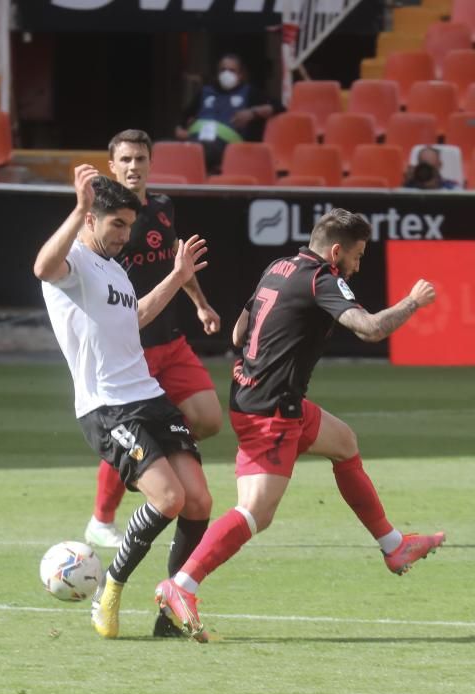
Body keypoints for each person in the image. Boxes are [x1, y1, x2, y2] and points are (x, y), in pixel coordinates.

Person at [153, 208, 446, 641]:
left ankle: (393, 545)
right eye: (357, 256)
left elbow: (239, 333)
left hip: (265, 396)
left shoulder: (279, 266)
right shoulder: (322, 278)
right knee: (255, 513)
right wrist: (412, 302)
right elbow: (368, 329)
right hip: (271, 410)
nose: (358, 266)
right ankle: (181, 585)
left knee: (344, 442)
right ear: (335, 251)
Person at [33, 167, 212, 641]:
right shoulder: (71, 262)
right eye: (116, 224)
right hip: (107, 407)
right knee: (169, 498)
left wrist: (177, 277)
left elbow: (134, 318)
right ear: (91, 219)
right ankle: (109, 588)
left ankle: (171, 610)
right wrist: (76, 208)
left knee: (198, 501)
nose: (125, 235)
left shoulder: (115, 270)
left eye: (129, 226)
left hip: (148, 396)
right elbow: (42, 268)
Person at [84, 129, 222, 554]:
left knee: (209, 419)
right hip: (131, 351)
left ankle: (156, 460)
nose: (133, 166)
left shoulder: (162, 206)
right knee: (135, 434)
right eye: (124, 159)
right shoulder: (104, 217)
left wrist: (200, 304)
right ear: (112, 165)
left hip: (171, 340)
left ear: (150, 162)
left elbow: (176, 262)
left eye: (140, 158)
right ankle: (101, 520)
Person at [175, 53, 284, 172]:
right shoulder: (205, 92)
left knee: (197, 152)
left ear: (240, 75)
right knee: (161, 147)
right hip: (197, 140)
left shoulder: (249, 92)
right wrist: (181, 130)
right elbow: (184, 116)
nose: (226, 74)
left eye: (232, 70)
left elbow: (279, 107)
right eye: (223, 70)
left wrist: (252, 112)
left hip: (228, 148)